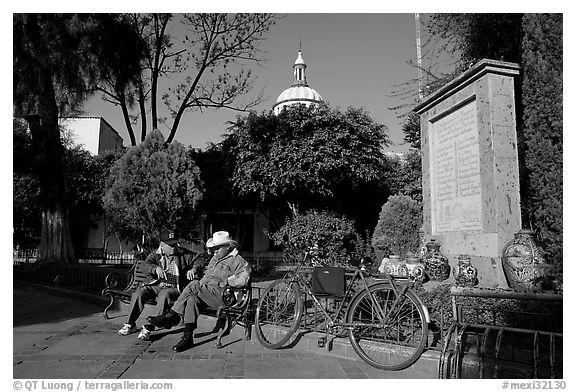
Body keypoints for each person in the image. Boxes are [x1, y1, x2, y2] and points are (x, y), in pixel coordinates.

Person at [147, 231, 251, 352]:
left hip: (224, 296)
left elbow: (244, 279)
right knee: (192, 299)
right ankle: (188, 337)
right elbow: (206, 276)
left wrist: (226, 282)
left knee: (193, 285)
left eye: (217, 248)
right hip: (208, 293)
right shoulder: (215, 258)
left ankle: (172, 316)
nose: (215, 251)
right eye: (213, 248)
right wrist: (201, 285)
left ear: (228, 246)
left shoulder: (237, 261)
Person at [117, 233, 206, 340]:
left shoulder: (183, 254)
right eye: (170, 245)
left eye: (175, 244)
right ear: (162, 245)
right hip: (157, 284)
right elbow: (145, 265)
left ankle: (149, 327)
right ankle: (130, 324)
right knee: (138, 294)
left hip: (173, 288)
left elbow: (199, 258)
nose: (174, 247)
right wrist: (155, 268)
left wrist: (194, 269)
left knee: (164, 295)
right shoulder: (156, 254)